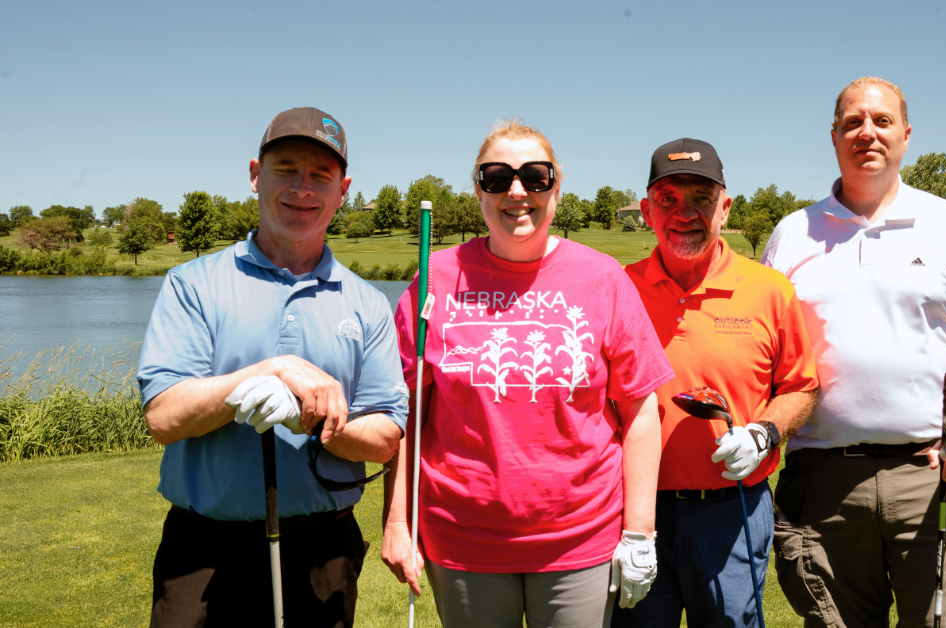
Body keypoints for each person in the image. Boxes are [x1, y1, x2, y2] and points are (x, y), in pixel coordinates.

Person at [383, 119, 674, 628]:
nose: (517, 191)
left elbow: (642, 410)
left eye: (535, 177)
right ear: (478, 191)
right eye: (497, 177)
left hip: (581, 537)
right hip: (463, 538)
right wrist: (396, 521)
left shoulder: (603, 277)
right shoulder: (436, 276)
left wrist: (640, 532)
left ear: (555, 189)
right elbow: (405, 409)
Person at [761, 77, 946, 628]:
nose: (868, 133)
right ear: (833, 136)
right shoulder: (792, 234)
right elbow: (762, 358)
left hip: (935, 475)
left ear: (906, 135)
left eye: (882, 121)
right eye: (853, 122)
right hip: (824, 482)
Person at [137, 107, 408, 627]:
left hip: (323, 549)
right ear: (256, 175)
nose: (303, 188)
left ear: (343, 189)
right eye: (286, 169)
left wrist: (307, 417)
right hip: (203, 550)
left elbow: (384, 438)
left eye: (320, 175)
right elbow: (164, 418)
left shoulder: (367, 303)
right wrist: (269, 371)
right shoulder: (193, 284)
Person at [616, 138, 820, 628]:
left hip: (732, 512)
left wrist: (764, 433)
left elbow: (801, 387)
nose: (684, 212)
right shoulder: (620, 288)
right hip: (637, 516)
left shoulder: (770, 291)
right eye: (668, 199)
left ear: (724, 208)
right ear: (646, 210)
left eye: (701, 198)